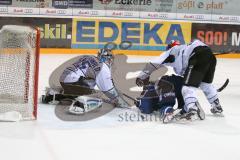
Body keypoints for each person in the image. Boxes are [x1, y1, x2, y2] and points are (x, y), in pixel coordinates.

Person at [136, 39, 223, 121]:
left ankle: (192, 109)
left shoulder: (171, 51)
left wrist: (142, 76)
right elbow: (193, 76)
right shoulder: (184, 50)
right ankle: (216, 106)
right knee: (206, 85)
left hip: (197, 55)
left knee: (187, 87)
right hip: (210, 56)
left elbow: (154, 63)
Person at [41, 48, 129, 114]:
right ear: (109, 59)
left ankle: (54, 94)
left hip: (64, 80)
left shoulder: (90, 57)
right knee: (98, 96)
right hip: (75, 82)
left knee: (87, 86)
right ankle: (80, 104)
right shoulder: (103, 67)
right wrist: (120, 101)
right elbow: (107, 90)